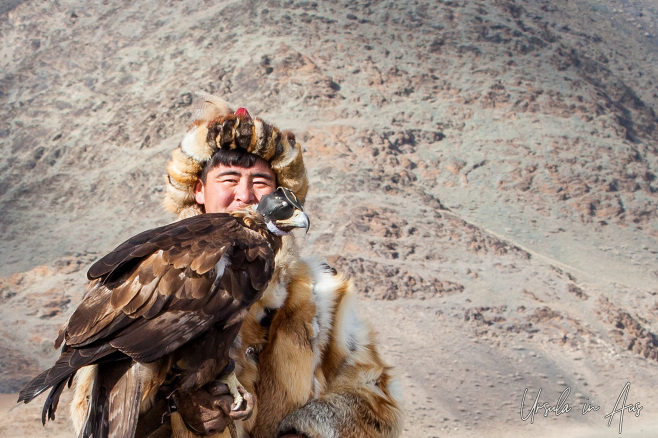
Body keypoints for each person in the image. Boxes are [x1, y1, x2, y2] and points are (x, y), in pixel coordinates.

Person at [69, 93, 403, 438]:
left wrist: (306, 432)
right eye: (228, 180)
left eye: (260, 182)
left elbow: (374, 403)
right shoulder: (149, 282)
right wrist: (177, 411)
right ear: (199, 190)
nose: (245, 195)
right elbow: (103, 419)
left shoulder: (319, 296)